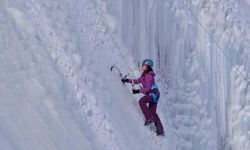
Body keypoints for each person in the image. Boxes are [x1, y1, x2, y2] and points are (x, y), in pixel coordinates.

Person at [121, 59, 165, 136]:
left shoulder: (148, 76)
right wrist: (127, 80)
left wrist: (137, 91)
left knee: (142, 101)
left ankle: (149, 118)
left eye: (144, 66)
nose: (142, 67)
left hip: (153, 93)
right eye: (142, 65)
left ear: (148, 67)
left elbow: (147, 89)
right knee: (153, 112)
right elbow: (137, 81)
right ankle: (160, 129)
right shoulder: (145, 75)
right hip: (156, 94)